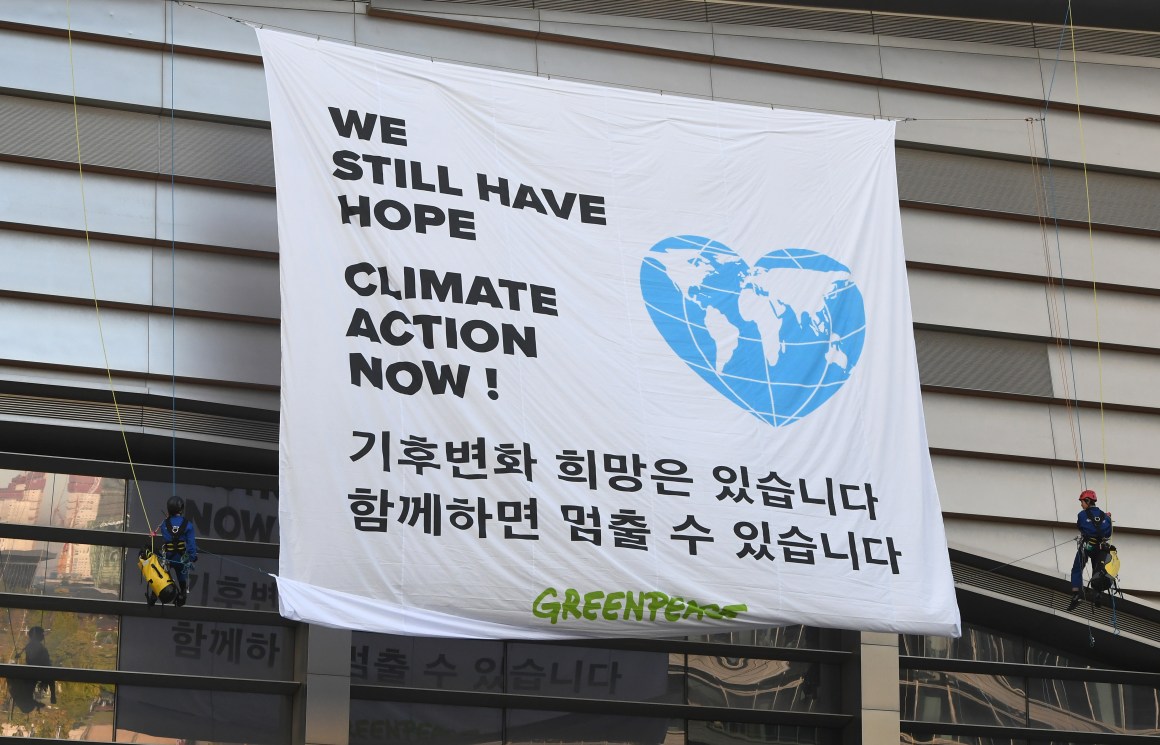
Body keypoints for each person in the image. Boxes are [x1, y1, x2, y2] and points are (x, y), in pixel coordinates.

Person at [1067, 489, 1112, 611]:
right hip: (1100, 548)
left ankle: (1076, 594)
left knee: (1077, 568)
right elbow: (1108, 533)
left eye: (1082, 502)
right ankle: (1097, 594)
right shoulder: (1105, 516)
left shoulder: (1082, 515)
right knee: (1097, 570)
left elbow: (1080, 527)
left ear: (1087, 501)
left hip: (1087, 546)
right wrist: (1107, 519)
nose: (1081, 505)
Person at [157, 496, 198, 606]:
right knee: (181, 578)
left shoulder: (164, 524)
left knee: (163, 576)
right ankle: (182, 595)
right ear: (181, 509)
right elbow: (191, 546)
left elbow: (168, 535)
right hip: (180, 559)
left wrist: (168, 520)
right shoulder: (188, 525)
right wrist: (192, 557)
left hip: (168, 559)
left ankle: (155, 595)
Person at [7, 626, 56, 713]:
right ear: (36, 635)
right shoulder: (40, 649)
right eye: (41, 634)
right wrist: (52, 694)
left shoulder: (31, 646)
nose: (43, 636)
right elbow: (48, 668)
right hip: (31, 677)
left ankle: (30, 704)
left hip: (28, 678)